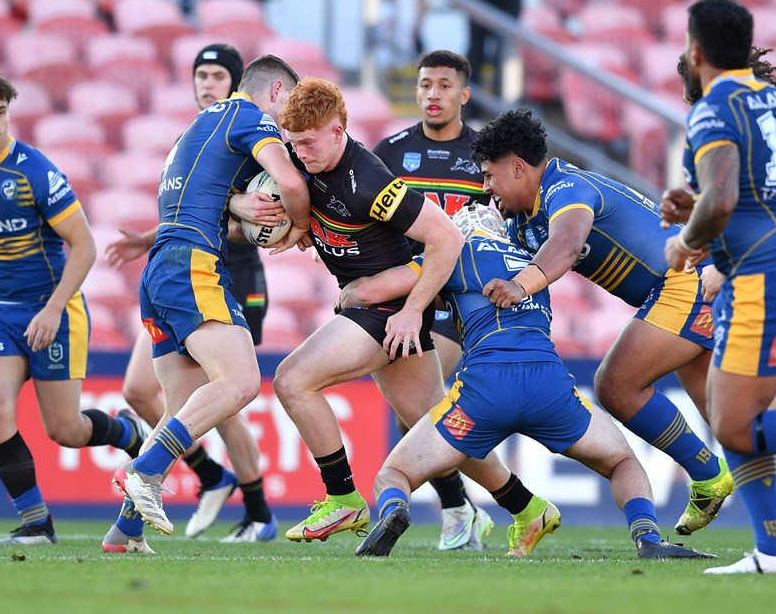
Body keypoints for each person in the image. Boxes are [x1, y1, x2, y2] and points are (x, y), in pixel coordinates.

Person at [347, 204, 714, 561]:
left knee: (394, 473)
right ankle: (647, 537)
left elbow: (372, 292)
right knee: (622, 463)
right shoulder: (532, 259)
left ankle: (393, 510)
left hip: (484, 392)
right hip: (550, 388)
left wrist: (350, 289)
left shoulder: (454, 252)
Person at [474, 108, 734, 537]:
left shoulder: (566, 187)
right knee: (734, 423)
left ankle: (710, 476)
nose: (487, 188)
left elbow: (567, 242)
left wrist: (520, 284)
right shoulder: (521, 221)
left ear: (518, 167)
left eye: (489, 175)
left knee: (616, 385)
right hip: (675, 289)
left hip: (686, 281)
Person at [273, 77, 507, 544]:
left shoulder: (371, 179)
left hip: (387, 310)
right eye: (293, 143)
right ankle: (527, 505)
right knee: (435, 422)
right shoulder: (308, 163)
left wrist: (412, 310)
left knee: (292, 380)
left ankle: (343, 500)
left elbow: (447, 238)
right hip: (378, 304)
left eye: (308, 142)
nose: (300, 152)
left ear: (338, 131)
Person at [104, 55, 311, 554]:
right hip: (193, 265)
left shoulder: (197, 125)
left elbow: (202, 193)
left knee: (181, 408)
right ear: (277, 90)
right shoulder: (251, 117)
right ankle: (143, 471)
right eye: (291, 108)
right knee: (239, 384)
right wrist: (301, 226)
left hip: (161, 269)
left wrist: (236, 202)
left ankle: (125, 531)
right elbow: (289, 181)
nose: (288, 123)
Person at [661, 0, 776, 573]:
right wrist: (697, 205)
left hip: (763, 274)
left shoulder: (712, 110)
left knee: (737, 422)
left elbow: (725, 200)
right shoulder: (770, 96)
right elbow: (749, 190)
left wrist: (686, 237)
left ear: (696, 50)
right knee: (730, 413)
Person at [0, 68, 146, 546]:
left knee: (66, 430)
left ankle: (126, 433)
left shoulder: (33, 170)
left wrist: (51, 310)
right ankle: (37, 524)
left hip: (54, 308)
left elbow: (85, 246)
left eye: (0, 112)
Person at [372, 49, 492, 550]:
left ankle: (477, 506)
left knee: (421, 401)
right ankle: (461, 508)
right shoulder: (391, 151)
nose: (433, 94)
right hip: (409, 291)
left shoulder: (486, 150)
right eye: (425, 85)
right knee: (415, 406)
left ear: (464, 94)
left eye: (444, 85)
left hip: (463, 295)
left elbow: (504, 219)